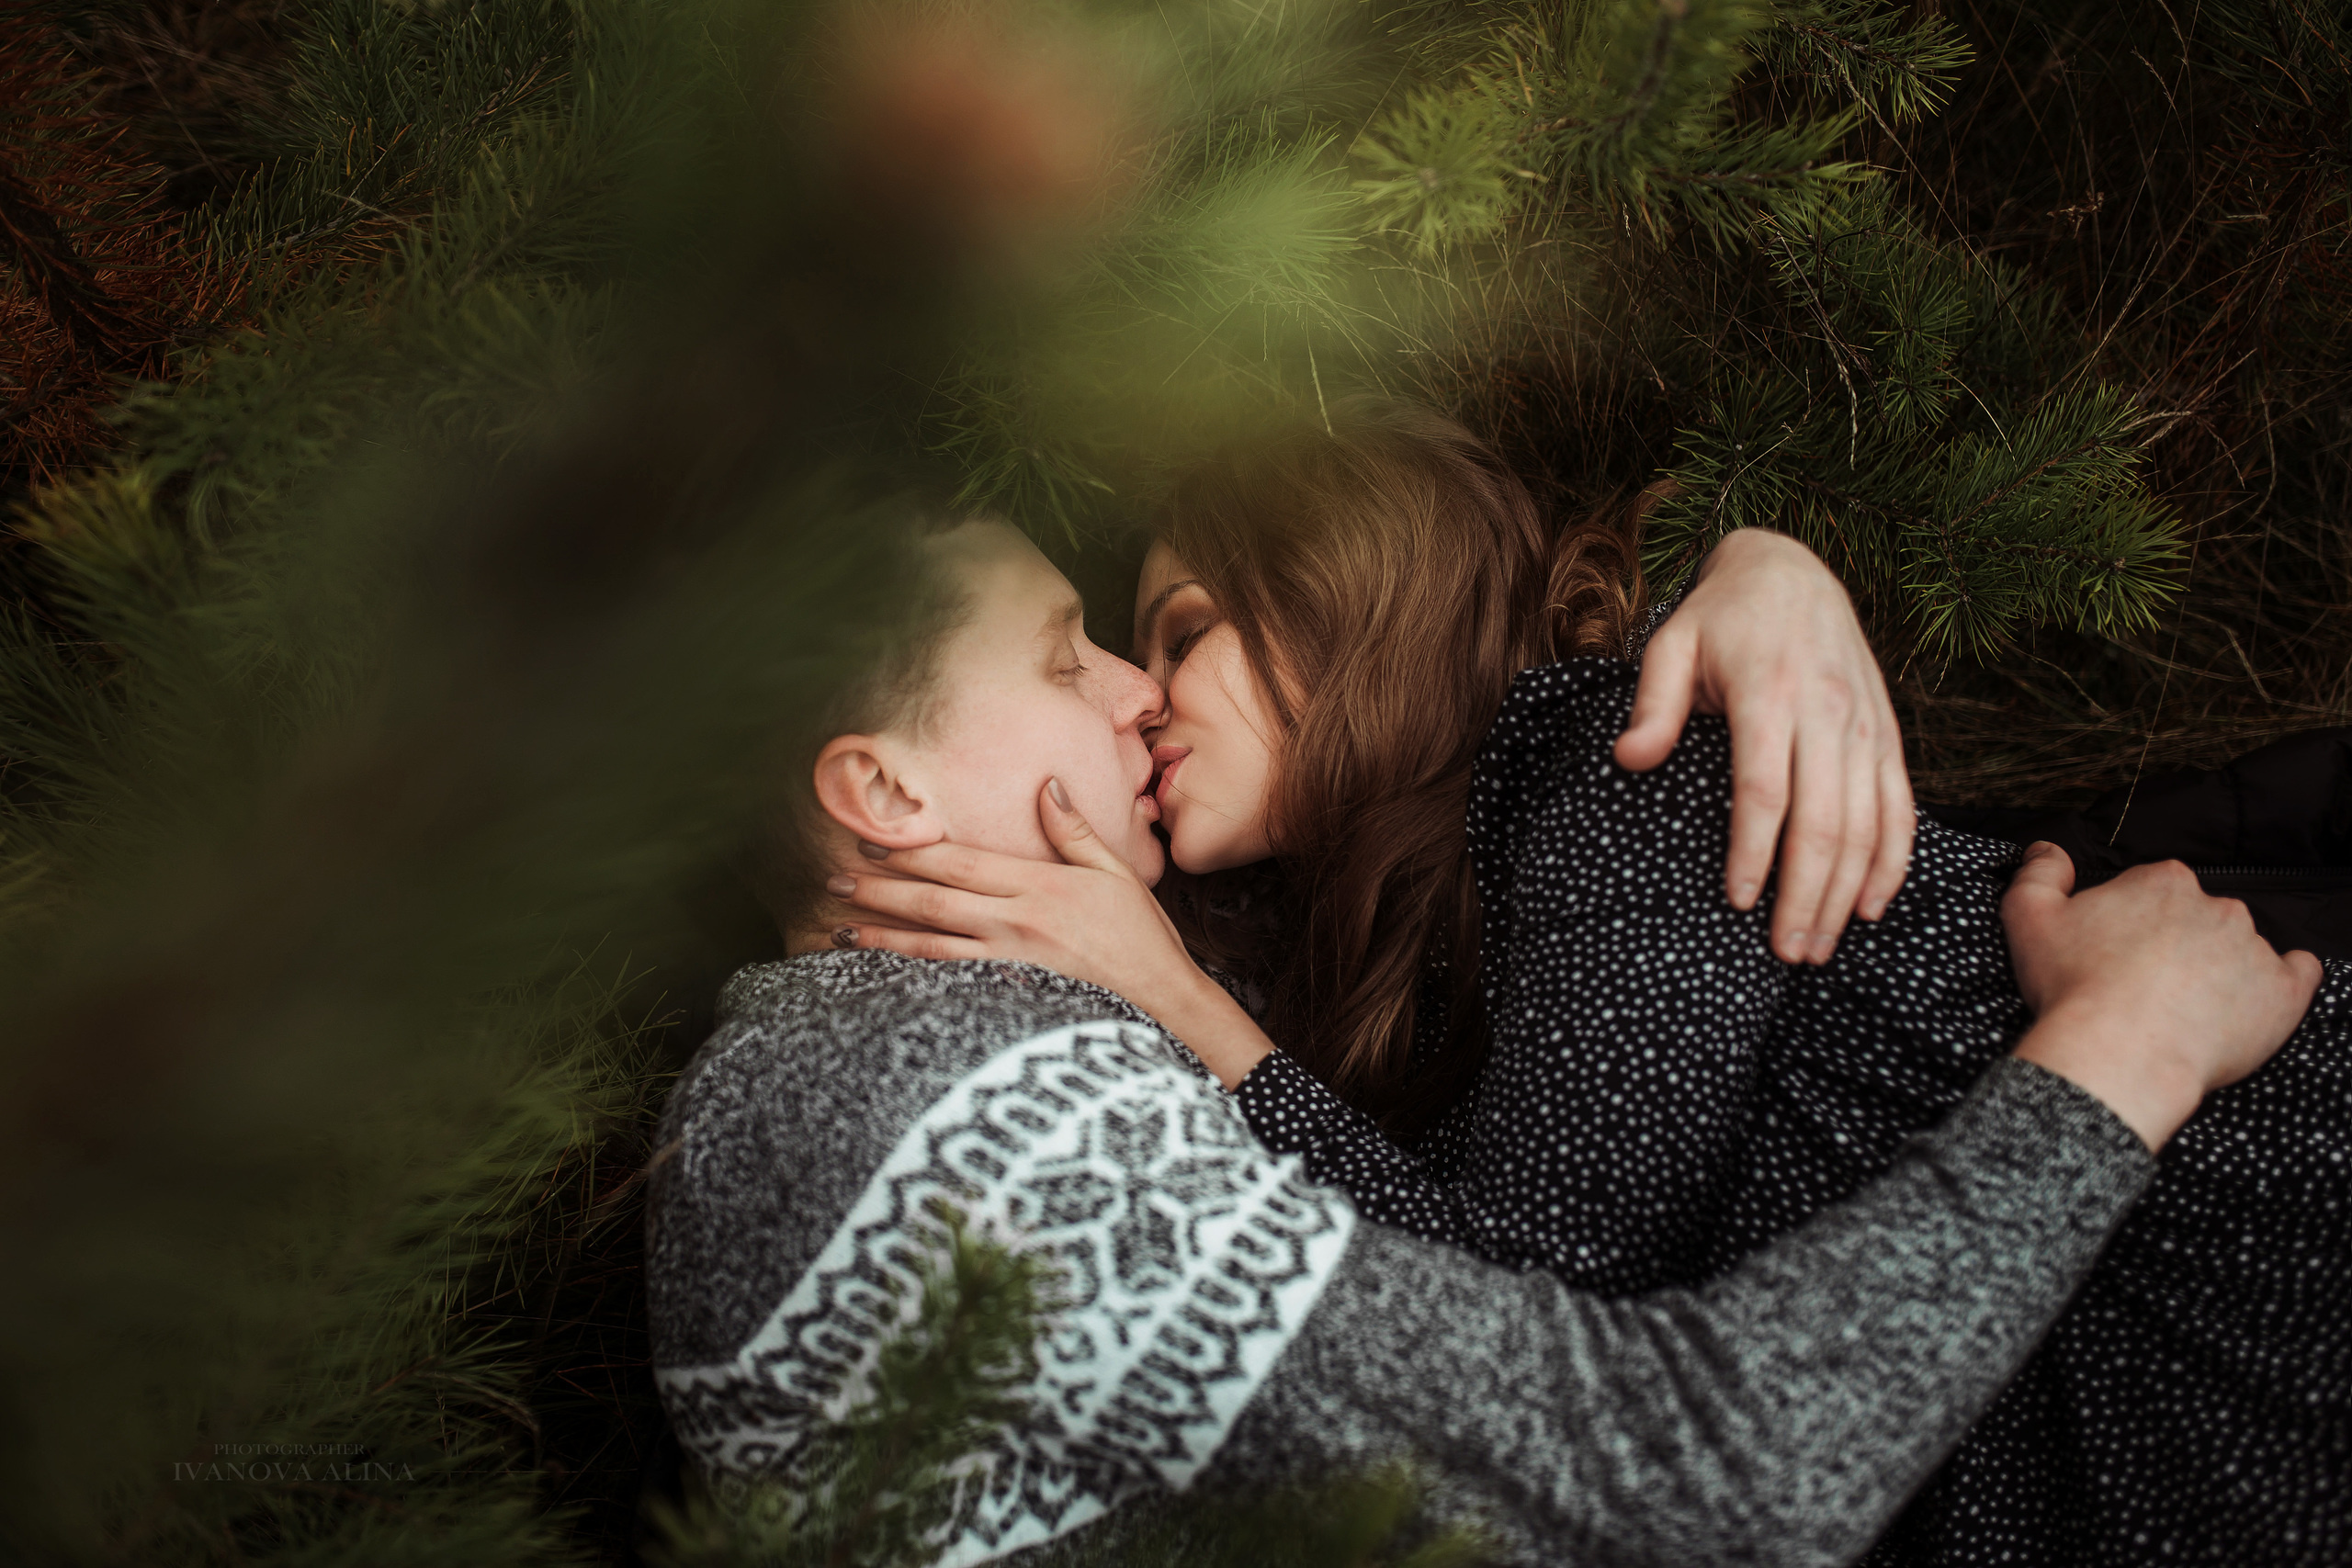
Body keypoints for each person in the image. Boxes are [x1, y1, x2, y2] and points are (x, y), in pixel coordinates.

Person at [831, 402, 2348, 1564]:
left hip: (2236, 1256)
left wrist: (1182, 1004)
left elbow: (1544, 1313)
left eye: (1183, 631)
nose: (1143, 692)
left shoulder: (1608, 766)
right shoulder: (1384, 936)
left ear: (1342, 596)